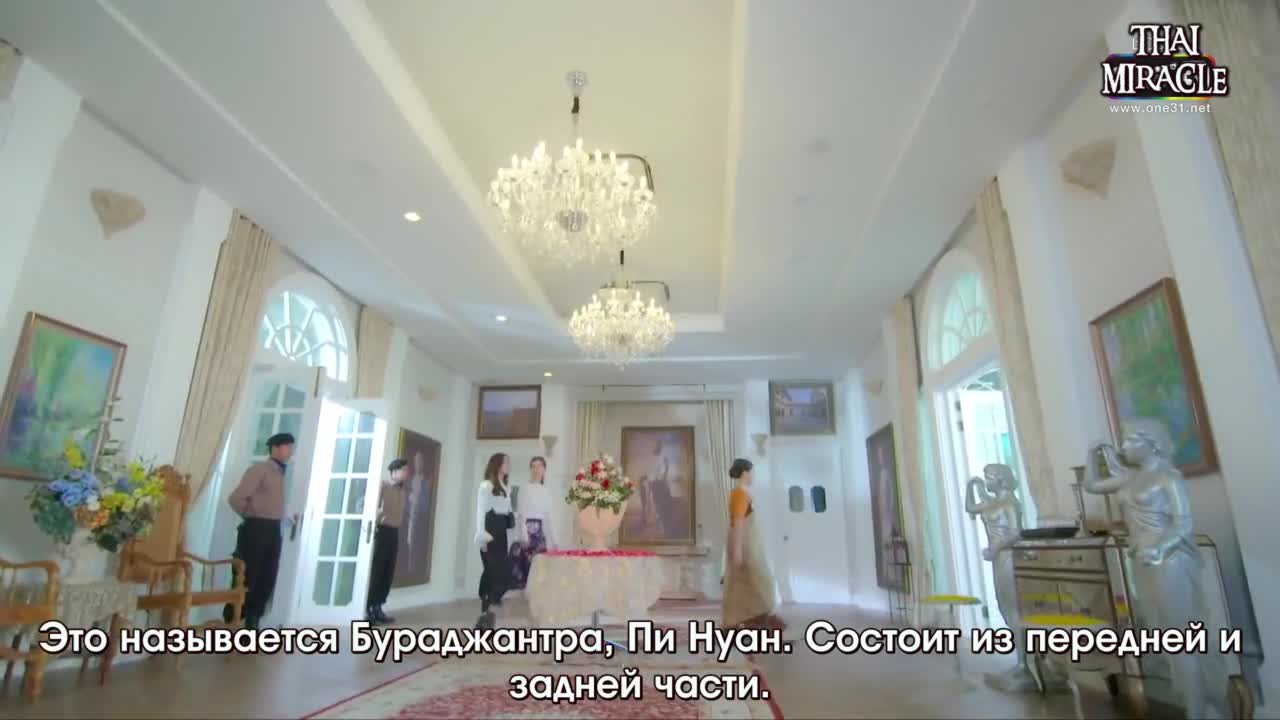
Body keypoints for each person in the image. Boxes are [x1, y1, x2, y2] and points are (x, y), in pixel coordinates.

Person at [226, 432, 294, 630]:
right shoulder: (259, 470)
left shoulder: (280, 474)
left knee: (268, 575)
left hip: (273, 530)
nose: (290, 452)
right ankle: (234, 620)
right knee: (250, 575)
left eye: (291, 448)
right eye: (287, 447)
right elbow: (235, 499)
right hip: (256, 530)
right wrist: (252, 514)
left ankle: (254, 620)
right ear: (275, 448)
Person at [722, 458, 786, 631]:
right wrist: (737, 550)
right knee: (760, 582)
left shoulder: (742, 493)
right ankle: (741, 621)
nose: (752, 476)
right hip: (744, 544)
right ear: (744, 473)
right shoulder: (739, 494)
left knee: (749, 583)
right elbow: (738, 522)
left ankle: (752, 620)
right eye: (751, 472)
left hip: (748, 543)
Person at [365, 458, 409, 624]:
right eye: (403, 470)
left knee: (387, 572)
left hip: (394, 533)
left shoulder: (402, 492)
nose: (406, 473)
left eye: (407, 470)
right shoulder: (382, 486)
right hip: (381, 531)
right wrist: (375, 520)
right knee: (376, 571)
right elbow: (366, 505)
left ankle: (378, 607)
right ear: (393, 471)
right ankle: (367, 609)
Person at [474, 452, 514, 628]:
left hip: (501, 530)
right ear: (497, 464)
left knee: (502, 570)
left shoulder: (506, 487)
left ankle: (489, 604)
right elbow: (480, 510)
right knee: (491, 569)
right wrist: (481, 534)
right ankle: (484, 613)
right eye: (506, 462)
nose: (508, 466)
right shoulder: (486, 485)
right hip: (490, 528)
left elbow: (509, 512)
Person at [509, 456, 555, 589]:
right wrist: (523, 535)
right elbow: (521, 513)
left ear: (544, 469)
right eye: (533, 466)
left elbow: (548, 517)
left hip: (540, 533)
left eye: (539, 466)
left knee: (539, 570)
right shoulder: (525, 488)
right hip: (527, 530)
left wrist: (553, 540)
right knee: (526, 569)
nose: (536, 469)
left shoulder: (546, 490)